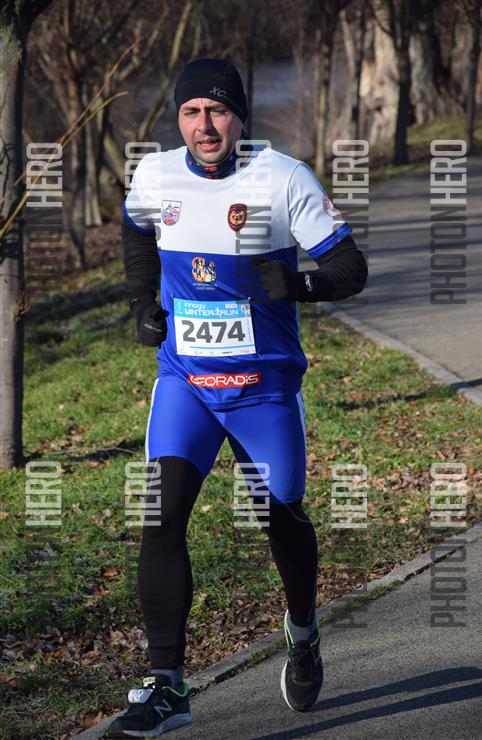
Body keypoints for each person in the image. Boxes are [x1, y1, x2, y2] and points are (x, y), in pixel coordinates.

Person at [107, 58, 368, 738]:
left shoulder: (283, 177)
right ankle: (167, 685)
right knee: (160, 516)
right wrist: (142, 303)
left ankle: (303, 632)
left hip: (263, 391)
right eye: (191, 112)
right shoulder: (155, 174)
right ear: (179, 118)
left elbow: (350, 266)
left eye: (217, 111)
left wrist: (301, 286)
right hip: (186, 384)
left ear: (239, 117)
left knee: (280, 517)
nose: (204, 126)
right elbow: (135, 229)